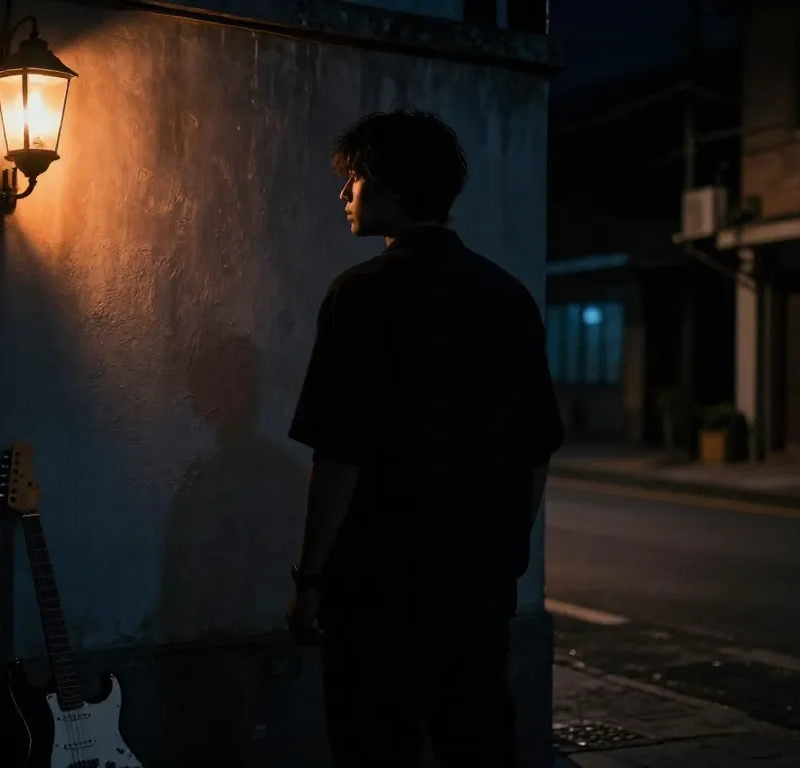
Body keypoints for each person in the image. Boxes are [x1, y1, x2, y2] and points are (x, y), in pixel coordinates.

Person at [284, 109, 565, 767]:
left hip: (378, 587)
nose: (344, 193)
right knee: (477, 744)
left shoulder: (360, 295)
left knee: (376, 745)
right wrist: (505, 553)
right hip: (477, 585)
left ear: (389, 184)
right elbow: (536, 449)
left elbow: (340, 455)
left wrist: (311, 579)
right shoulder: (507, 296)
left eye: (354, 178)